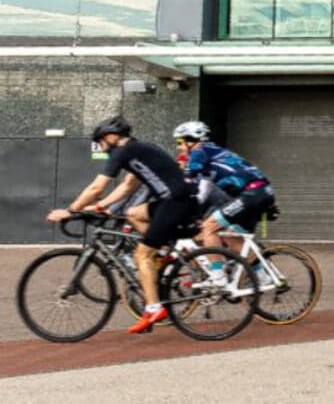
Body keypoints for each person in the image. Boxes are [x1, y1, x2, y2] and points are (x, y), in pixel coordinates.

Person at [47, 117, 199, 334]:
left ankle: (154, 308)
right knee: (133, 213)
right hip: (175, 200)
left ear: (111, 137)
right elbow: (128, 186)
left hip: (175, 202)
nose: (101, 148)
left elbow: (97, 187)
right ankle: (163, 251)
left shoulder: (123, 152)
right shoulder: (136, 150)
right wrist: (102, 207)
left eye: (100, 142)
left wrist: (70, 210)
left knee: (141, 255)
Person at [174, 121, 275, 286]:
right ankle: (262, 275)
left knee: (209, 227)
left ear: (192, 140)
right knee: (229, 236)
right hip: (259, 192)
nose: (178, 147)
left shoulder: (199, 152)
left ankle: (218, 277)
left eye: (180, 141)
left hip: (252, 194)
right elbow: (203, 188)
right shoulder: (211, 150)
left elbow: (188, 180)